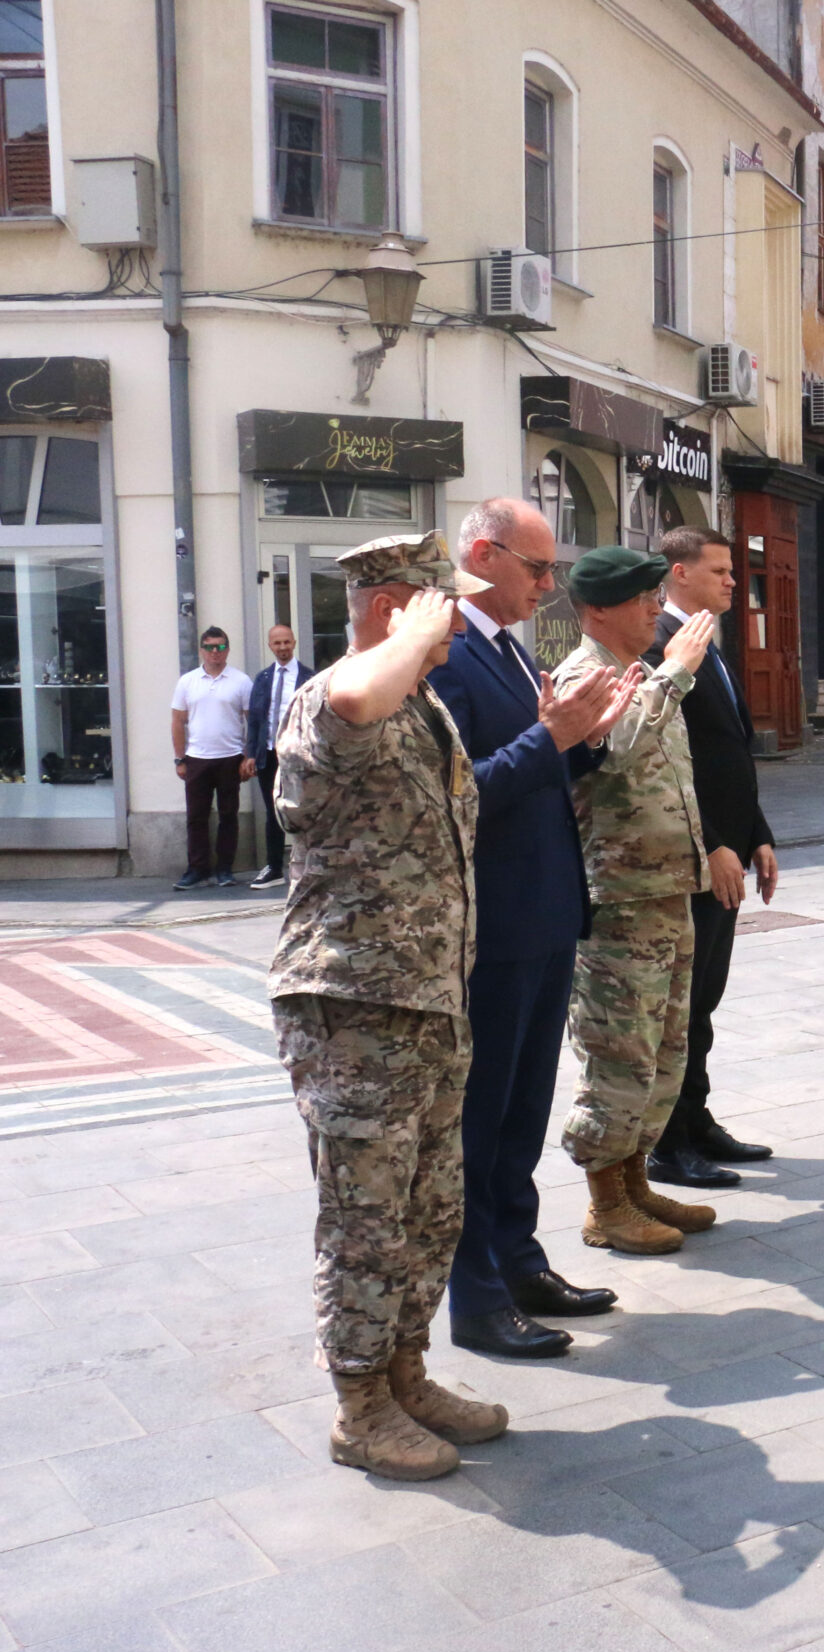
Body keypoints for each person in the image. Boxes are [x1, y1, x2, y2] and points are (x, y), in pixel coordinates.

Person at [268, 531, 509, 1480]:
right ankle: (360, 1404)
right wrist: (406, 635)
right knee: (364, 1217)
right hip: (354, 1009)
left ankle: (406, 1371)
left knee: (430, 1206)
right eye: (442, 608)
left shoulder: (423, 707)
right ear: (388, 610)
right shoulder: (332, 696)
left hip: (429, 1002)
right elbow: (354, 698)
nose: (458, 627)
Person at [428, 498, 634, 1358]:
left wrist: (586, 737)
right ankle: (476, 1296)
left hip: (544, 914)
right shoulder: (446, 655)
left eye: (553, 570)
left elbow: (542, 762)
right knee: (481, 1121)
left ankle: (519, 1262)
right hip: (495, 924)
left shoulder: (512, 649)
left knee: (522, 1113)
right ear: (483, 554)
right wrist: (553, 736)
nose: (549, 586)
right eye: (538, 568)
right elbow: (457, 794)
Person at [552, 547, 722, 1256]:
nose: (657, 608)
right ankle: (605, 1206)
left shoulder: (644, 673)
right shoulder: (582, 676)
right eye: (642, 598)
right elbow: (612, 749)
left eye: (656, 595)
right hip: (618, 901)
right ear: (597, 609)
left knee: (661, 1054)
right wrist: (676, 672)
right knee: (618, 1054)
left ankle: (633, 1182)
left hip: (665, 892)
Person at [644, 527, 780, 1190]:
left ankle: (696, 1122)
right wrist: (714, 843)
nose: (734, 581)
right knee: (680, 1006)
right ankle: (667, 1143)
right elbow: (675, 763)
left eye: (734, 571)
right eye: (721, 570)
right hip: (692, 856)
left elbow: (730, 753)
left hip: (726, 847)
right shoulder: (660, 648)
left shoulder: (706, 642)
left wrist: (757, 833)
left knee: (704, 1001)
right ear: (680, 572)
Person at [169, 626, 254, 889]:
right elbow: (177, 721)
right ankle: (197, 869)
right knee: (196, 817)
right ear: (201, 650)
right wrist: (179, 759)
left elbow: (253, 722)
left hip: (230, 758)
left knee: (228, 816)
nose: (215, 652)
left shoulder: (241, 681)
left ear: (227, 650)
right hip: (196, 759)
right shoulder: (187, 682)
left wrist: (248, 756)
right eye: (209, 647)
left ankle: (225, 869)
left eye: (220, 647)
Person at [245, 624, 311, 888]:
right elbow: (255, 720)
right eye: (277, 643)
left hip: (298, 755)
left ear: (294, 642)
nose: (282, 647)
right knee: (273, 812)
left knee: (304, 808)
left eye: (286, 642)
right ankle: (274, 867)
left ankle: (308, 866)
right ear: (270, 646)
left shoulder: (309, 677)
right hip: (268, 754)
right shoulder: (262, 678)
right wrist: (251, 754)